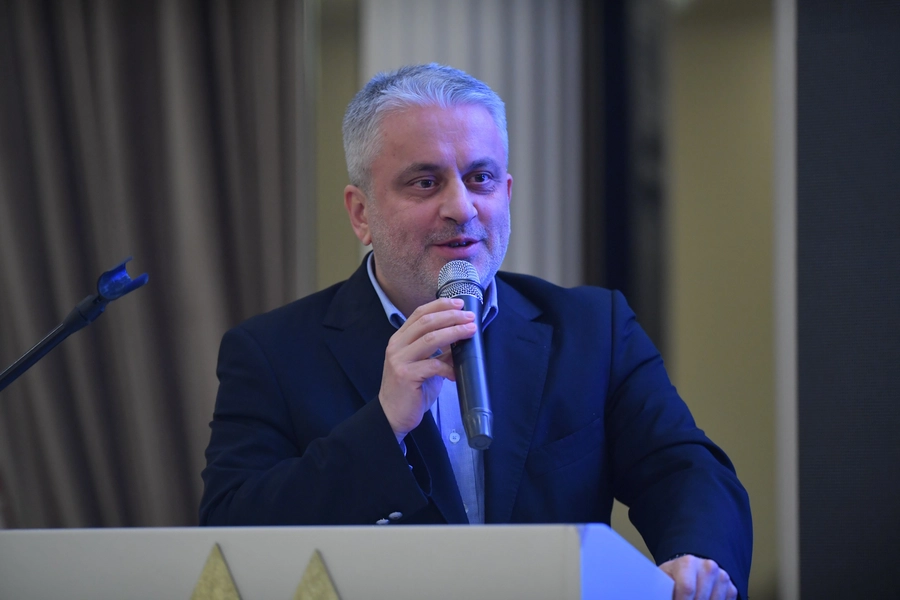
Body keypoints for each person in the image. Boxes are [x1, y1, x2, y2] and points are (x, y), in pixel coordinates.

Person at [200, 64, 752, 600]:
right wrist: (383, 426)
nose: (461, 208)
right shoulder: (271, 353)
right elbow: (232, 536)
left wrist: (696, 560)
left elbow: (685, 470)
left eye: (480, 179)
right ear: (361, 213)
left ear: (505, 192)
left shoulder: (593, 329)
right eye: (425, 182)